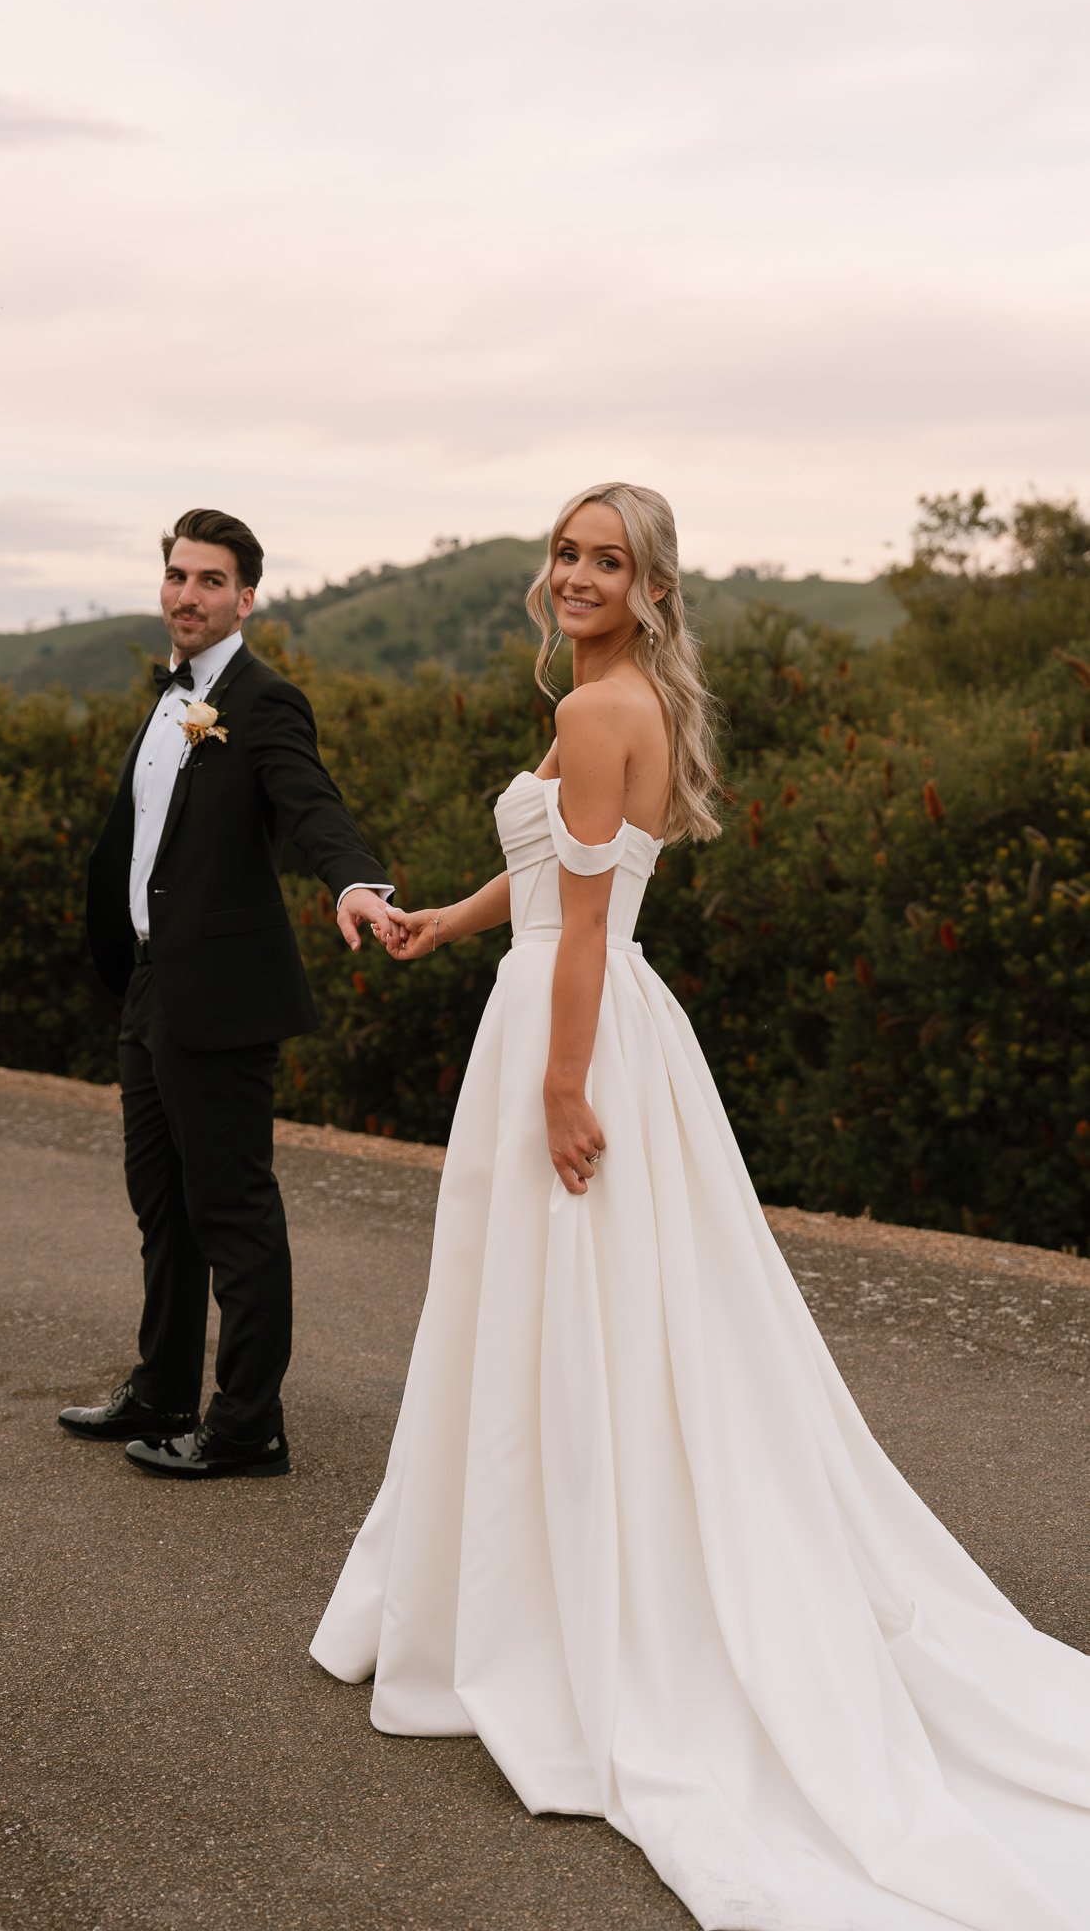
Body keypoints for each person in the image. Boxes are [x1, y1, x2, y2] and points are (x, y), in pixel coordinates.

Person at [311, 484, 1090, 1930]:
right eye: (568, 553)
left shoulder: (606, 714)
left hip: (575, 1028)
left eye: (611, 561)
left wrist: (558, 1082)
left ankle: (575, 1610)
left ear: (654, 588)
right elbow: (549, 875)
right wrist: (442, 920)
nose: (581, 575)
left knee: (574, 1312)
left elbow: (593, 924)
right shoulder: (601, 703)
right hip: (569, 1007)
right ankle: (535, 1576)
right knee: (565, 1317)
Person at [59, 507, 401, 1479]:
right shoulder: (172, 697)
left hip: (221, 997)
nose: (187, 594)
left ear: (246, 596)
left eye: (210, 580)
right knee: (162, 1207)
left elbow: (310, 803)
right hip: (150, 984)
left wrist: (354, 881)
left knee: (235, 1213)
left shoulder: (262, 699)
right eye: (177, 575)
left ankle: (248, 1421)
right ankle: (163, 1387)